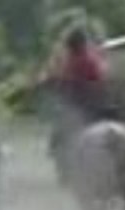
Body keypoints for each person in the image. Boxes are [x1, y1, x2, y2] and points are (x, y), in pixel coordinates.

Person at [41, 27, 112, 183]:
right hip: (98, 107)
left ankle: (65, 173)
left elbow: (63, 82)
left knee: (59, 136)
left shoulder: (73, 62)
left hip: (80, 108)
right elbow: (101, 80)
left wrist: (50, 80)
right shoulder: (93, 59)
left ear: (71, 46)